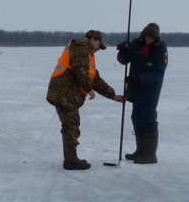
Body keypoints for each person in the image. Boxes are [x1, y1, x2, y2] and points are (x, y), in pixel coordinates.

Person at [46, 29, 124, 170]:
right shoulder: (80, 45)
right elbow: (80, 71)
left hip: (67, 94)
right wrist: (89, 89)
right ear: (93, 39)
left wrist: (112, 95)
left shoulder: (88, 55)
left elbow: (96, 79)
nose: (99, 48)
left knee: (72, 124)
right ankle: (70, 160)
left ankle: (71, 158)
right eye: (99, 44)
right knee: (71, 125)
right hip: (63, 92)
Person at [116, 22, 168, 164]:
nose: (148, 40)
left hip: (150, 90)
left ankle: (150, 155)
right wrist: (122, 51)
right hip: (135, 88)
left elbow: (158, 73)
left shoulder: (161, 50)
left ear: (156, 38)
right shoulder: (136, 44)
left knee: (148, 119)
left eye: (151, 38)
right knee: (136, 118)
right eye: (146, 37)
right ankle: (140, 150)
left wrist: (139, 79)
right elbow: (124, 61)